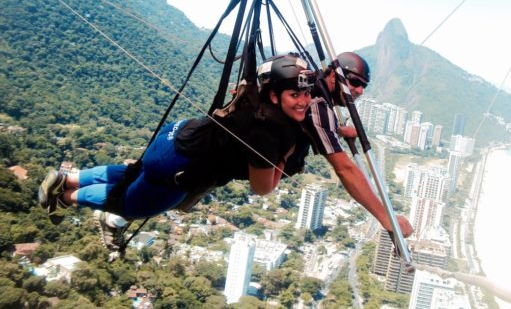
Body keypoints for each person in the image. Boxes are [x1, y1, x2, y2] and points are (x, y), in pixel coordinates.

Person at [38, 53, 315, 249]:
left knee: (134, 173)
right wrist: (283, 158)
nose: (304, 101)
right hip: (179, 166)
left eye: (306, 93)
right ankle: (66, 197)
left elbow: (322, 86)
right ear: (275, 96)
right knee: (128, 204)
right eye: (295, 95)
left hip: (177, 135)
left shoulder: (255, 100)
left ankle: (66, 177)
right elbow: (262, 188)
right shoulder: (266, 135)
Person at [303, 52, 413, 239]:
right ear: (332, 76)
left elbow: (314, 124)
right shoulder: (318, 104)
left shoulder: (318, 94)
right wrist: (387, 218)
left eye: (363, 86)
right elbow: (345, 169)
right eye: (354, 82)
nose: (360, 91)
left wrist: (337, 129)